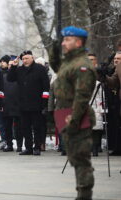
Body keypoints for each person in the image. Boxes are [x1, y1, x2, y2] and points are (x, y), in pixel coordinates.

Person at [54, 26, 96, 200]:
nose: (64, 43)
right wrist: (55, 45)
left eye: (67, 40)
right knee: (75, 158)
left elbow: (82, 97)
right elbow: (55, 65)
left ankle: (85, 195)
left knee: (81, 160)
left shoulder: (82, 65)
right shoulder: (69, 62)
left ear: (78, 42)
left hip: (77, 116)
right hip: (66, 114)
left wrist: (74, 121)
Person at [8, 50, 50, 156]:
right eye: (23, 59)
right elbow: (10, 78)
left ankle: (37, 147)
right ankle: (28, 148)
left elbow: (46, 87)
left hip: (37, 103)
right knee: (25, 127)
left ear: (32, 58)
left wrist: (44, 103)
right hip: (23, 104)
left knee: (37, 127)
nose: (25, 61)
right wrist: (13, 66)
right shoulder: (20, 70)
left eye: (27, 58)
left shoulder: (40, 69)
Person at [1, 55, 22, 152]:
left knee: (19, 127)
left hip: (18, 105)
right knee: (7, 127)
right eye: (9, 64)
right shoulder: (3, 76)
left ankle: (19, 145)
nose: (10, 66)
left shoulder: (21, 75)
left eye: (12, 64)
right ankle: (9, 144)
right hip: (6, 105)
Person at [103, 51, 121, 155]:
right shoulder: (118, 68)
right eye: (115, 58)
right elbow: (113, 82)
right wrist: (103, 77)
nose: (116, 60)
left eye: (119, 58)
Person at [88, 53, 104, 156]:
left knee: (96, 126)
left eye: (92, 59)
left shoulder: (100, 72)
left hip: (97, 102)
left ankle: (96, 147)